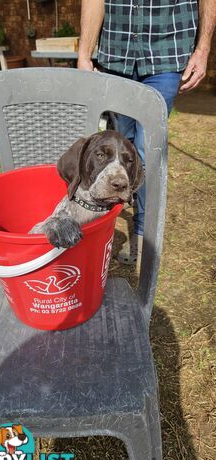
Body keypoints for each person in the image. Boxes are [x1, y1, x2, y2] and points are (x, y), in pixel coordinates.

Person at [78, 0, 216, 264]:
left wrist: (203, 48)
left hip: (166, 54)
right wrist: (84, 53)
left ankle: (143, 234)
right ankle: (107, 218)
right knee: (120, 147)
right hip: (117, 55)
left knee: (146, 149)